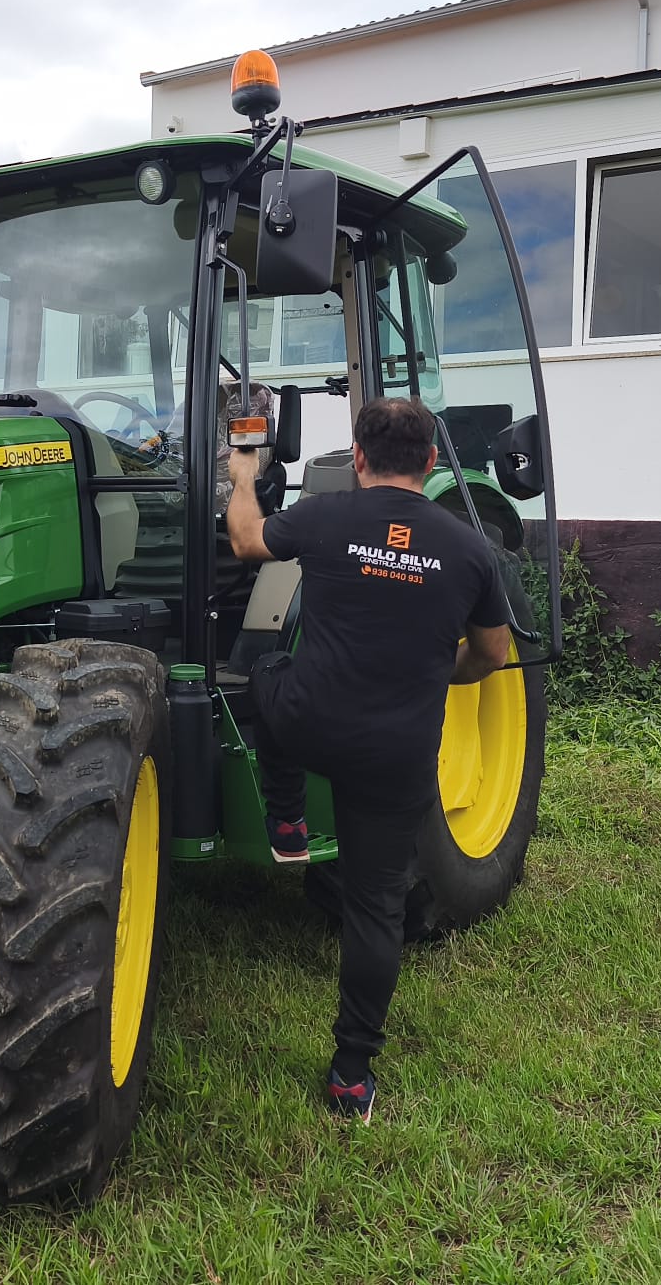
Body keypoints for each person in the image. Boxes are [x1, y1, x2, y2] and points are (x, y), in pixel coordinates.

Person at [224, 395, 513, 1124]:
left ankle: (285, 823)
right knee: (375, 908)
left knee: (261, 679)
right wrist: (428, 670)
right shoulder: (472, 552)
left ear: (357, 458)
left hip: (313, 724)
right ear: (431, 462)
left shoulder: (324, 519)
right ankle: (352, 1074)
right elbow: (492, 655)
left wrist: (240, 471)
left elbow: (247, 543)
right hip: (397, 756)